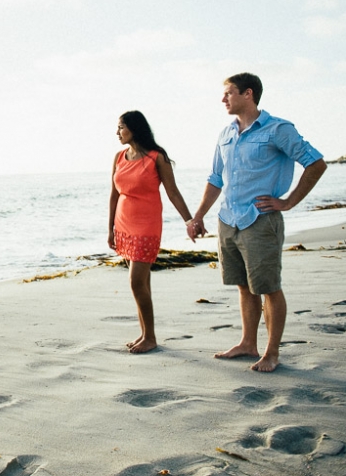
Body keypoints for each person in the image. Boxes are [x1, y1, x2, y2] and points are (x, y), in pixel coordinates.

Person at [187, 73, 327, 373]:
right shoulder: (226, 133)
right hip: (228, 220)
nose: (223, 99)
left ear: (248, 94)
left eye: (228, 93)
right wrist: (198, 217)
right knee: (244, 286)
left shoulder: (278, 129)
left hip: (260, 221)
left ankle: (271, 353)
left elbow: (316, 163)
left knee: (269, 287)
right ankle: (247, 343)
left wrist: (288, 202)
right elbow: (215, 179)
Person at [109, 110, 195, 354]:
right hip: (123, 224)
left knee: (136, 282)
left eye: (121, 127)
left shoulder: (157, 157)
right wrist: (110, 229)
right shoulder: (119, 157)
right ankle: (145, 333)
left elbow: (173, 192)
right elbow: (114, 194)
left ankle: (151, 337)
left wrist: (189, 220)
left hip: (147, 225)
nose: (117, 132)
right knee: (142, 283)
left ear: (134, 128)